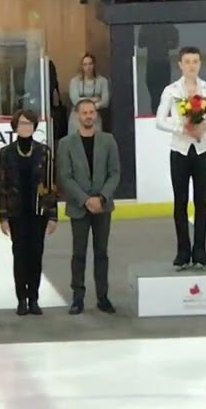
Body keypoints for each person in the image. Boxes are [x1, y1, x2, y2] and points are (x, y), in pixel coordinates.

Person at [154, 46, 206, 269]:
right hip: (179, 151)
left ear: (200, 64)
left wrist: (204, 125)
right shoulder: (171, 91)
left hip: (203, 151)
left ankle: (200, 250)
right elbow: (159, 120)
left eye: (195, 61)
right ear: (180, 65)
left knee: (201, 202)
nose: (191, 65)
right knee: (180, 202)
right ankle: (183, 251)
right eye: (187, 61)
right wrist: (183, 127)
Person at [57, 99, 121, 315]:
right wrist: (85, 199)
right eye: (84, 112)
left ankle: (103, 296)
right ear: (77, 116)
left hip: (103, 206)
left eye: (92, 112)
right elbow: (65, 176)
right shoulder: (66, 144)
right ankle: (78, 297)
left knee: (101, 253)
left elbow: (115, 173)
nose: (88, 116)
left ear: (96, 115)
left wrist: (101, 197)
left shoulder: (108, 140)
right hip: (79, 206)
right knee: (79, 253)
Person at [0, 110, 59, 316]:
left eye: (30, 123)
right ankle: (21, 298)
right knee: (20, 256)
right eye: (22, 123)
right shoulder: (6, 153)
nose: (26, 127)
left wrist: (52, 215)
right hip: (17, 213)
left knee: (36, 255)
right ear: (15, 126)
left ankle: (34, 297)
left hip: (38, 213)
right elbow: (3, 185)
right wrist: (4, 216)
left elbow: (50, 185)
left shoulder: (44, 151)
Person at [68, 53, 111, 133]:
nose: (88, 67)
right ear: (82, 66)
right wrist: (93, 100)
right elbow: (75, 100)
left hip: (95, 118)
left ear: (94, 65)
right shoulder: (75, 81)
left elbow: (105, 102)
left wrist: (95, 105)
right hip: (77, 118)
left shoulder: (102, 81)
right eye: (85, 64)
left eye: (90, 64)